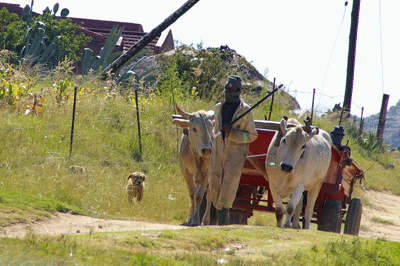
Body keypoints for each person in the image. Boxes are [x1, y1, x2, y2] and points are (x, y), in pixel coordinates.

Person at [208, 75, 258, 225]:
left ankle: (223, 223)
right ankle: (217, 223)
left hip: (235, 155)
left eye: (233, 89)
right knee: (215, 185)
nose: (230, 91)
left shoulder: (246, 111)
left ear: (239, 90)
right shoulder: (218, 108)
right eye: (228, 88)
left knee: (228, 187)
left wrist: (232, 133)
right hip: (218, 152)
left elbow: (252, 135)